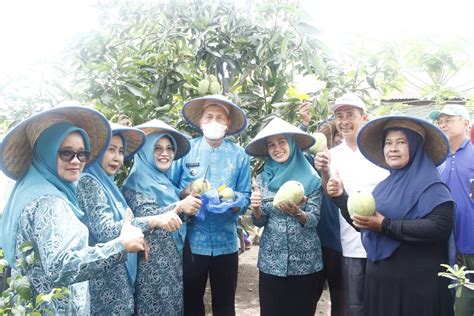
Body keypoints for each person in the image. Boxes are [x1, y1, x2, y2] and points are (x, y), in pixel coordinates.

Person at [0, 106, 146, 314]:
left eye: (81, 154)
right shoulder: (50, 202)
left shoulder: (29, 191)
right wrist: (121, 246)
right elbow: (62, 266)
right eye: (66, 153)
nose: (76, 161)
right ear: (47, 152)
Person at [327, 115, 455, 315]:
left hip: (418, 290)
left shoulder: (432, 187)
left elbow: (439, 227)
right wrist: (341, 197)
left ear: (415, 146)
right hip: (381, 287)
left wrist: (385, 225)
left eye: (401, 142)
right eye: (388, 143)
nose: (393, 148)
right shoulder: (384, 188)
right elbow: (365, 223)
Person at [76, 123, 184, 315]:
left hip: (119, 274)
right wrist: (152, 221)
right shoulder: (89, 181)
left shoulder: (108, 183)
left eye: (120, 151)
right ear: (97, 151)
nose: (117, 157)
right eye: (110, 150)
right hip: (106, 280)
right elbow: (105, 230)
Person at [171, 94, 251, 316]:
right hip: (192, 242)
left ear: (228, 124)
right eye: (209, 116)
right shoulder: (186, 152)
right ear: (200, 121)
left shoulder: (240, 156)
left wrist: (235, 204)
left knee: (225, 304)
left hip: (226, 242)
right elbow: (171, 189)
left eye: (220, 117)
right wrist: (186, 193)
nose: (214, 121)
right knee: (191, 301)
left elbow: (245, 194)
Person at [314, 93, 389, 316]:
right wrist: (324, 172)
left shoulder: (381, 151)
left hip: (385, 241)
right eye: (339, 116)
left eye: (350, 115)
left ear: (364, 117)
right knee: (354, 306)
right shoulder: (332, 155)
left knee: (383, 304)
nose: (344, 120)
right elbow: (330, 192)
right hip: (351, 243)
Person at [245, 117, 324, 316]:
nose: (277, 148)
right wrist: (255, 208)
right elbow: (260, 221)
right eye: (271, 145)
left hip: (306, 262)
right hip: (272, 262)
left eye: (282, 142)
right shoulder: (263, 179)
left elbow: (314, 220)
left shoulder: (312, 178)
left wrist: (298, 213)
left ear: (291, 144)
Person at [122, 119, 202, 315]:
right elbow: (144, 217)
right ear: (146, 151)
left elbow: (174, 214)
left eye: (169, 148)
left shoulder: (163, 180)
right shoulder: (136, 180)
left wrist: (185, 201)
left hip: (171, 261)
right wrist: (179, 205)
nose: (164, 153)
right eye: (157, 148)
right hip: (151, 265)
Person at [299, 103, 346, 316]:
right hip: (320, 238)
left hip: (340, 240)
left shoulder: (350, 160)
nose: (338, 146)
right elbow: (298, 153)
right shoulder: (314, 162)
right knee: (310, 293)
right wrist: (304, 124)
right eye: (335, 141)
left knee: (340, 295)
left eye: (340, 141)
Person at [428, 104, 474, 315]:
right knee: (452, 301)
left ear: (465, 123)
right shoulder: (437, 160)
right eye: (440, 121)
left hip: (470, 242)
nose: (443, 124)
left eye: (449, 119)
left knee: (466, 303)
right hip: (445, 243)